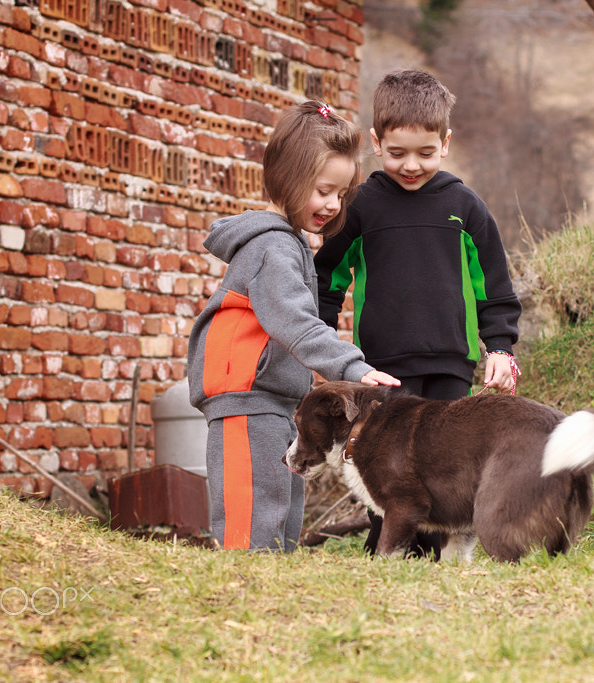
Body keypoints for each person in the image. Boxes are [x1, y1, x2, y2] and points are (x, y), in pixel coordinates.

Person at [314, 69, 523, 559]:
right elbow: (327, 282)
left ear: (446, 143)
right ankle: (386, 547)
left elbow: (495, 288)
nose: (411, 165)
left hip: (452, 361)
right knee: (380, 459)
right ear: (375, 142)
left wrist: (499, 347)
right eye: (396, 152)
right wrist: (322, 348)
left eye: (425, 153)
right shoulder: (360, 206)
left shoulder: (465, 207)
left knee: (443, 461)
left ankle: (432, 552)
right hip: (381, 368)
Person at [187, 100, 400, 552]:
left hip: (271, 395)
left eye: (341, 194)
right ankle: (244, 591)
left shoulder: (291, 244)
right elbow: (295, 321)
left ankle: (277, 586)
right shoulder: (272, 248)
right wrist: (351, 367)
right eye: (324, 190)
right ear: (287, 178)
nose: (332, 204)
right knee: (254, 506)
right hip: (246, 394)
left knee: (283, 498)